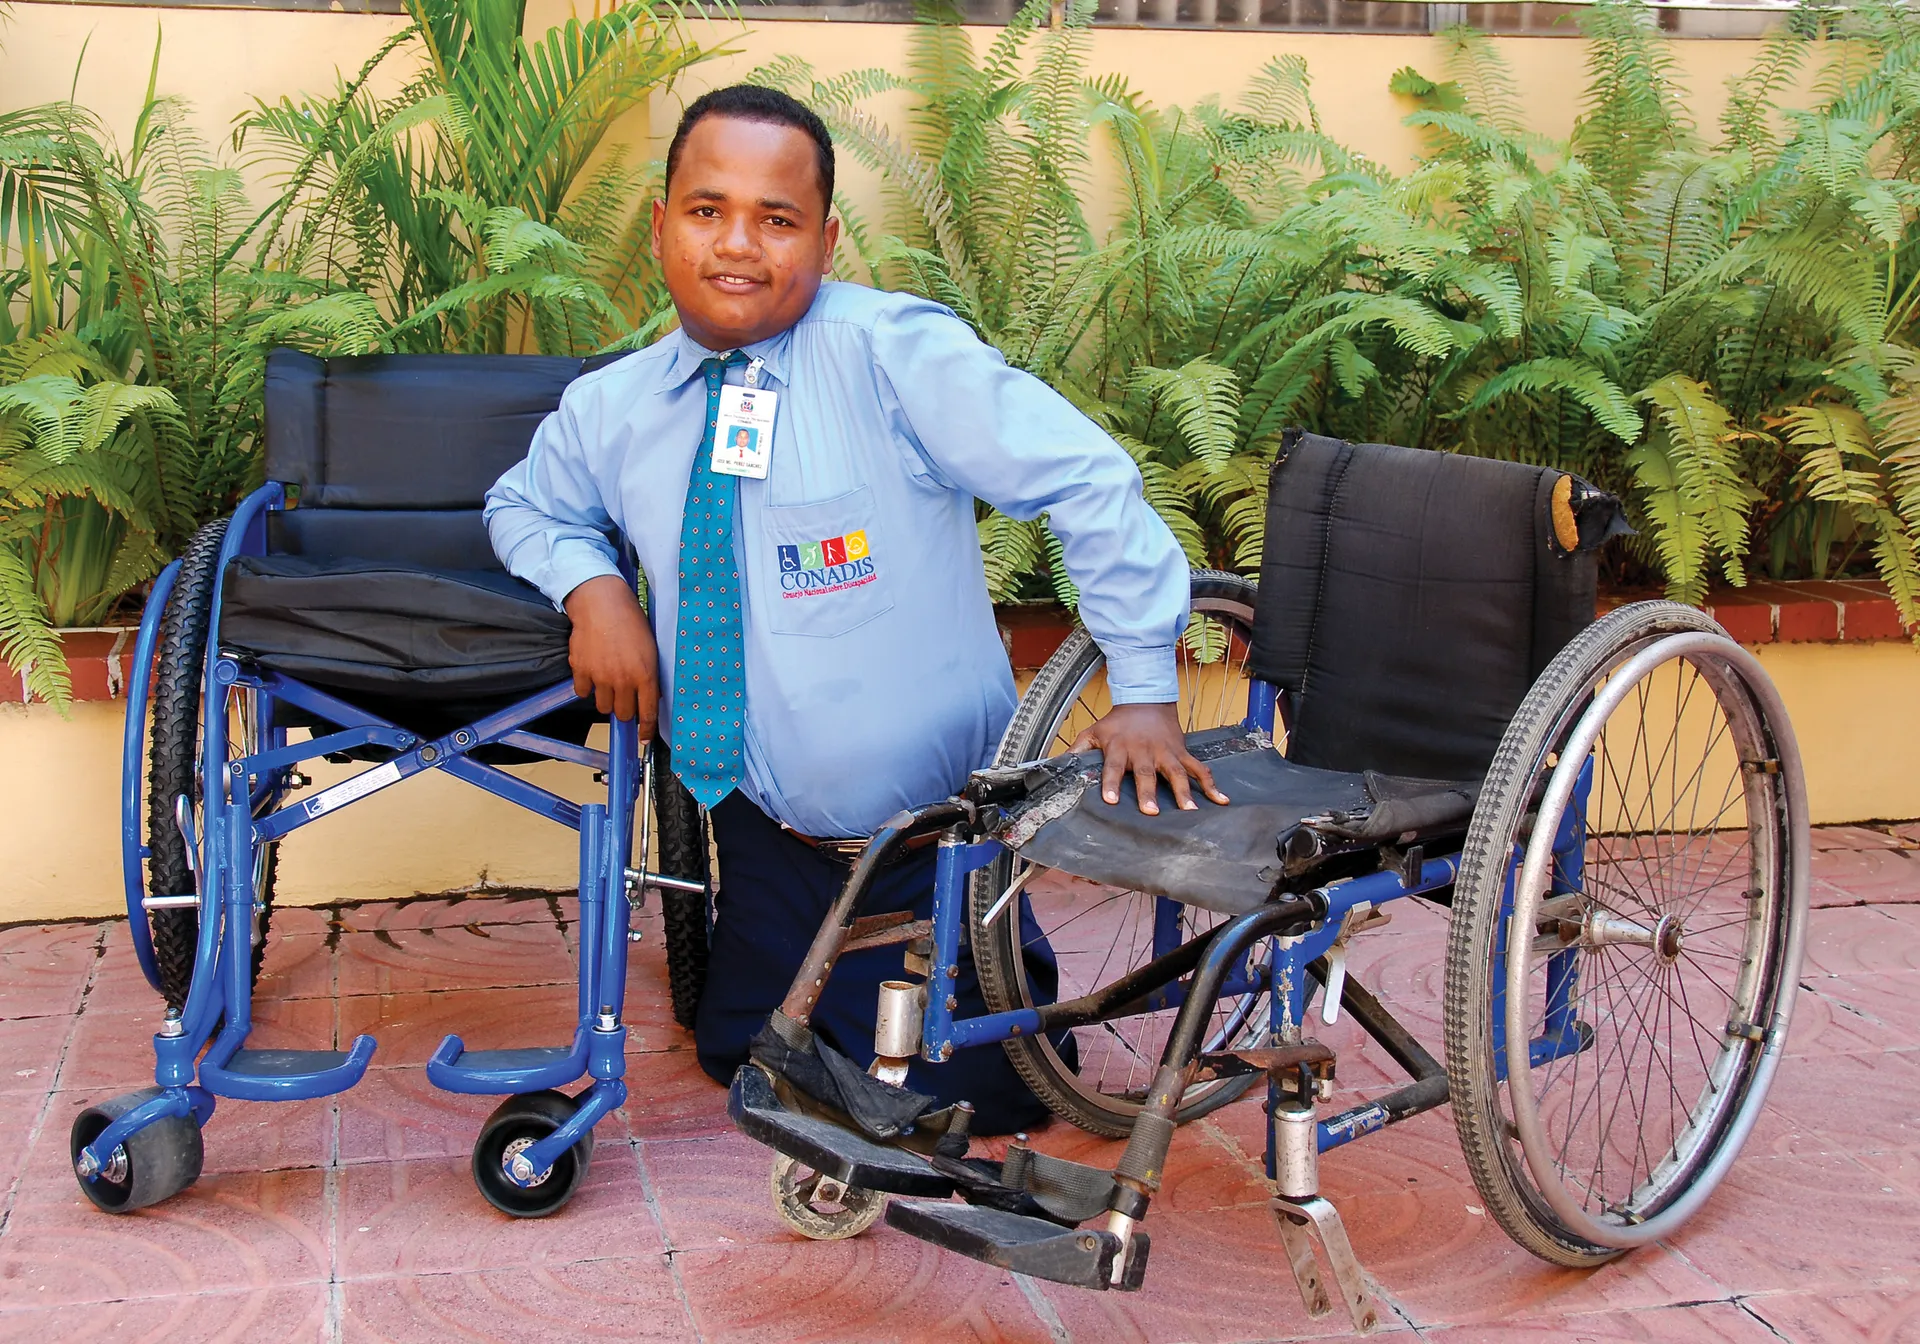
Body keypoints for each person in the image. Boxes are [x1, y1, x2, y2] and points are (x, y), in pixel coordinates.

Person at [485, 84, 1226, 1133]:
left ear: (826, 241)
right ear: (660, 225)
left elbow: (1084, 479)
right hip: (762, 833)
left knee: (983, 1102)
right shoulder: (614, 407)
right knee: (741, 1062)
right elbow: (524, 504)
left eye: (776, 220)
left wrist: (1145, 684)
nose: (738, 244)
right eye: (707, 210)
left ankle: (991, 984)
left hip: (936, 843)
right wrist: (594, 588)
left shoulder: (897, 358)